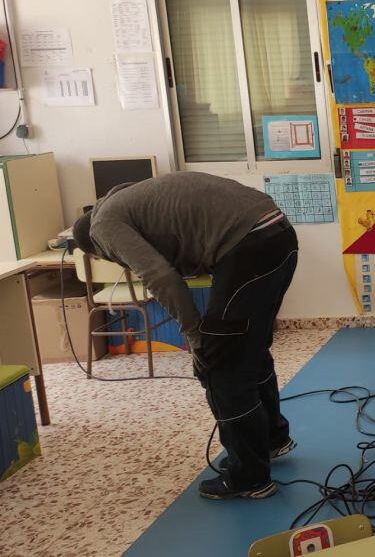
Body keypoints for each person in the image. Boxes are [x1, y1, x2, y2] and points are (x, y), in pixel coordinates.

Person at [72, 171, 299, 501]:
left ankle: (249, 478)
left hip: (249, 244)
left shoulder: (103, 228)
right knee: (248, 347)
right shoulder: (126, 195)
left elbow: (161, 277)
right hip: (278, 233)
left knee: (221, 364)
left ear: (96, 250)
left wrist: (196, 337)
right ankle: (272, 439)